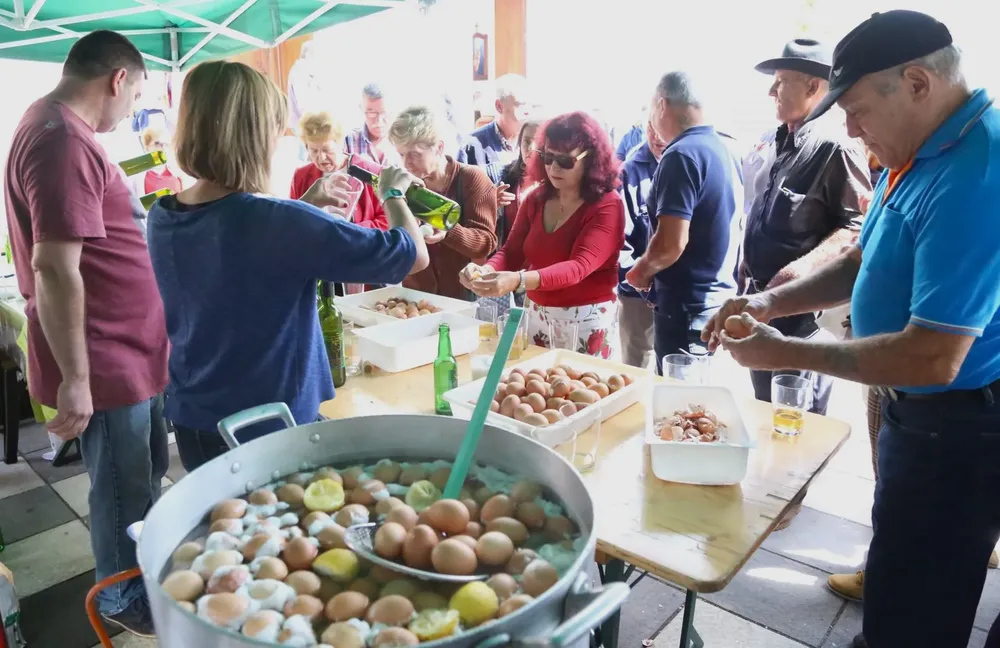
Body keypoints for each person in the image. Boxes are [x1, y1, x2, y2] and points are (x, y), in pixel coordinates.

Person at [704, 11, 1000, 647]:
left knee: (917, 612)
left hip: (958, 430)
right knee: (897, 576)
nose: (850, 126)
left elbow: (933, 357)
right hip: (917, 418)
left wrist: (789, 353)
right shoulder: (920, 152)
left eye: (859, 108)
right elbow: (861, 258)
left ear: (918, 83)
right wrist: (768, 306)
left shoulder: (979, 169)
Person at [148, 61, 429, 472]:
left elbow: (236, 250)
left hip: (195, 417)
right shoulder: (276, 221)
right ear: (254, 135)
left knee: (228, 532)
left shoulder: (165, 213)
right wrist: (393, 194)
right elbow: (408, 254)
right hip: (267, 424)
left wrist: (300, 210)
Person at [3, 30, 168, 636]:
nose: (131, 111)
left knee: (140, 474)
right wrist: (76, 378)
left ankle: (138, 576)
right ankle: (124, 598)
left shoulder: (53, 128)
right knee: (123, 487)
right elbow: (53, 265)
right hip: (104, 355)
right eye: (137, 94)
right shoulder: (61, 139)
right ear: (118, 79)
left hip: (126, 347)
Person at [742, 38, 873, 417]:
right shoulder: (780, 140)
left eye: (781, 81)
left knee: (796, 427)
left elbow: (856, 227)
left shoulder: (836, 148)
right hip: (763, 310)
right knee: (764, 418)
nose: (772, 91)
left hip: (802, 321)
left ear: (813, 87)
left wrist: (799, 270)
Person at [462, 112, 625, 358]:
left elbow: (578, 267)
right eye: (547, 157)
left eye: (565, 161)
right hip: (536, 315)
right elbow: (512, 251)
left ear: (591, 159)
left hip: (585, 321)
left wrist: (517, 280)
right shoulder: (537, 198)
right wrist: (485, 270)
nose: (553, 167)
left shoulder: (607, 205)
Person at [624, 71, 743, 367]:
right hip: (713, 301)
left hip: (686, 308)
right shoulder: (723, 149)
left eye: (651, 109)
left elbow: (671, 243)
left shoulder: (681, 154)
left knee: (682, 405)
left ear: (662, 105)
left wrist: (641, 270)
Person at [388, 105, 498, 301]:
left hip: (461, 299)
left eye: (414, 154)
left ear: (439, 147)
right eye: (402, 154)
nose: (406, 163)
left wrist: (447, 230)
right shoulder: (402, 185)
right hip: (416, 299)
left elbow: (486, 243)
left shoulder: (471, 179)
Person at [617, 120, 666, 369]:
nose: (657, 136)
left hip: (676, 295)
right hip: (636, 293)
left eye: (662, 126)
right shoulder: (630, 170)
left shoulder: (692, 160)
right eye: (651, 127)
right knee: (634, 367)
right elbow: (619, 240)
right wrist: (641, 282)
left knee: (674, 371)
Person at [289, 111, 386, 230]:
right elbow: (293, 220)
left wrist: (352, 232)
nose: (321, 157)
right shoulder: (300, 176)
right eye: (314, 151)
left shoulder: (371, 171)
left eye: (327, 149)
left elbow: (387, 220)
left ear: (341, 144)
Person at [464, 74, 530, 182]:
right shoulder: (472, 146)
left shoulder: (536, 143)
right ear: (499, 106)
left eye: (530, 105)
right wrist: (493, 197)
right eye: (520, 104)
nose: (527, 111)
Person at [345, 83, 401, 167]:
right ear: (362, 108)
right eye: (372, 113)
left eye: (384, 112)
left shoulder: (402, 142)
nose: (379, 121)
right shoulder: (348, 142)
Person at [287, 41, 323, 133]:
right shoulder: (300, 71)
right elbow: (303, 103)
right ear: (308, 54)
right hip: (305, 124)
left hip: (304, 123)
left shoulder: (304, 70)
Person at [138, 127, 183, 195]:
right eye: (157, 143)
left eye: (166, 144)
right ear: (147, 147)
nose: (163, 148)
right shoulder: (140, 178)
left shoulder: (177, 176)